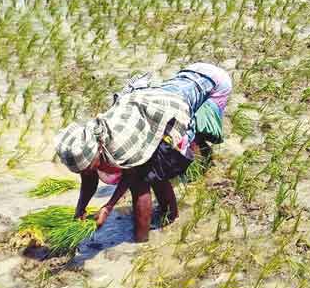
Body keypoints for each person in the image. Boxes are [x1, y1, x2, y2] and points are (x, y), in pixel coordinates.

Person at [55, 64, 232, 243]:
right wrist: (80, 209)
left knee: (146, 177)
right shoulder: (89, 141)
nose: (85, 171)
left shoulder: (118, 145)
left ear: (97, 151)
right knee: (152, 168)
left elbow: (132, 178)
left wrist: (108, 206)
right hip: (183, 80)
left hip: (214, 84)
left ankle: (151, 234)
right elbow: (88, 177)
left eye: (87, 167)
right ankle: (167, 215)